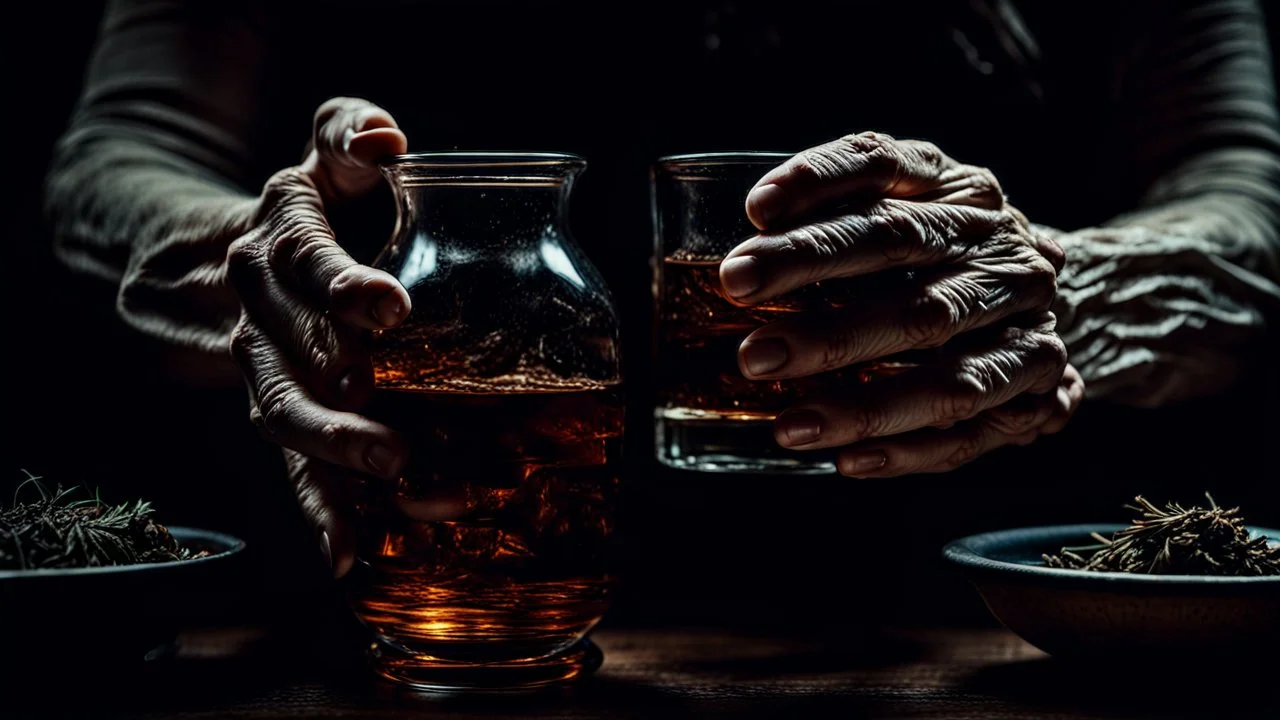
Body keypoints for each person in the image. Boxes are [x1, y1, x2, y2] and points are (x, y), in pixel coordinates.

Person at [45, 0, 1280, 580]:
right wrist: (274, 263)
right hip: (420, 573)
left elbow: (1239, 191)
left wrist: (1062, 292)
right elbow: (121, 153)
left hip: (998, 604)